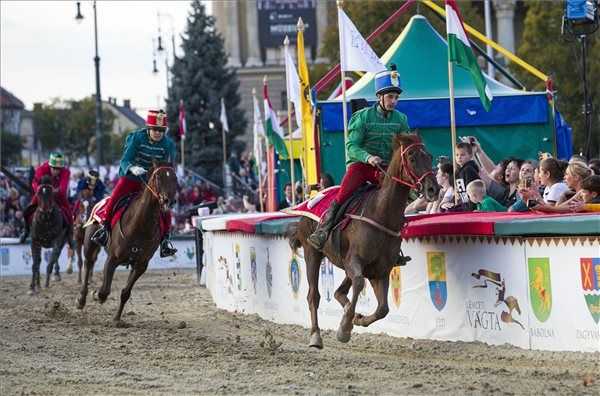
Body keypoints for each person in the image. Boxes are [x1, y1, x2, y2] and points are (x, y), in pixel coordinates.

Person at [308, 64, 410, 250]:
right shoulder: (362, 117)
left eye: (396, 97)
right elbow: (351, 146)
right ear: (379, 97)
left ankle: (397, 245)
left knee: (401, 196)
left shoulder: (401, 119)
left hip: (386, 169)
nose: (394, 101)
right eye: (390, 97)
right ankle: (323, 231)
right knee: (343, 195)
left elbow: (403, 147)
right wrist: (368, 157)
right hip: (362, 167)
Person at [90, 109, 178, 257]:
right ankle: (104, 228)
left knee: (165, 205)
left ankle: (165, 240)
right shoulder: (136, 138)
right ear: (148, 128)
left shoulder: (168, 144)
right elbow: (125, 160)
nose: (158, 133)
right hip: (132, 177)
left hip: (152, 182)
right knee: (115, 197)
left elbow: (168, 165)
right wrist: (132, 168)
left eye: (161, 130)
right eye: (155, 129)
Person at [19, 152, 73, 243]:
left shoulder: (66, 172)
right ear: (50, 165)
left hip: (57, 195)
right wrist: (40, 192)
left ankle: (70, 235)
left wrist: (53, 191)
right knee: (28, 209)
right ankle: (26, 230)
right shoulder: (41, 169)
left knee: (69, 212)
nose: (57, 171)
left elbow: (63, 189)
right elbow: (35, 183)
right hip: (42, 194)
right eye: (54, 168)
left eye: (59, 169)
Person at [453, 141, 479, 211]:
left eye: (462, 155)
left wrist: (471, 207)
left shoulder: (469, 170)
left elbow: (473, 191)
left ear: (470, 156)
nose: (459, 157)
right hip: (464, 204)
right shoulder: (458, 171)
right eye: (457, 155)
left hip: (472, 206)